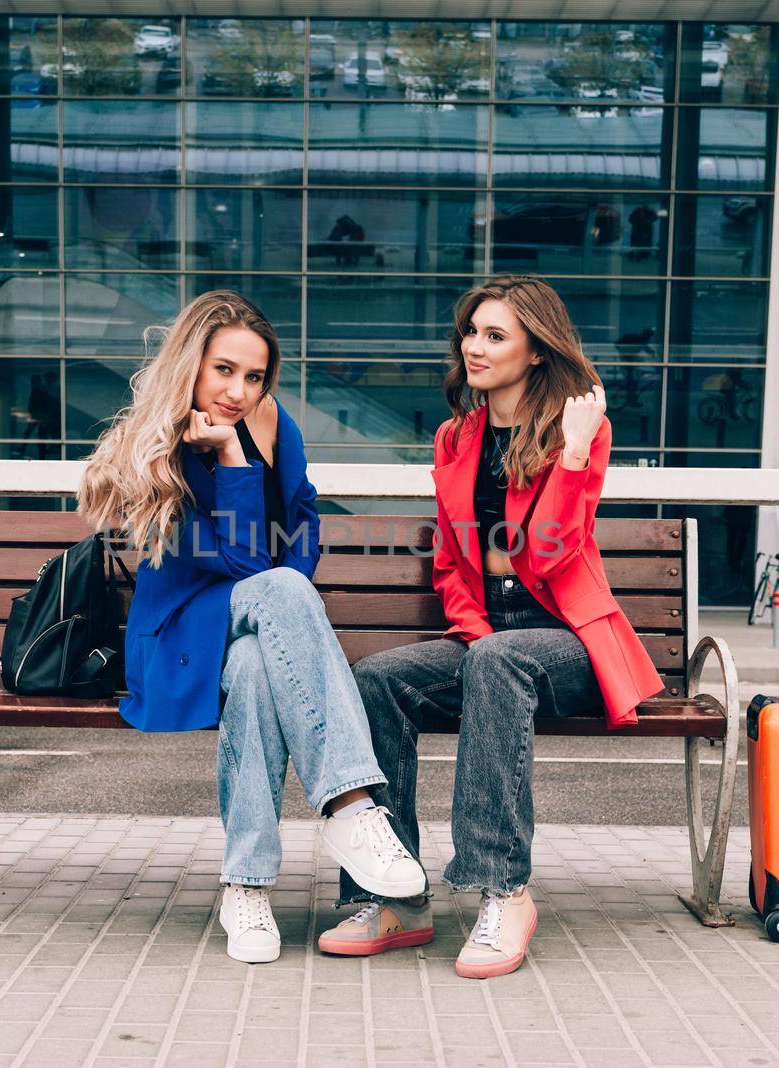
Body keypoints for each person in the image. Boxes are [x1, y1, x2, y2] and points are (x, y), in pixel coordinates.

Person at [322, 276, 664, 979]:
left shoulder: (580, 432)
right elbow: (451, 561)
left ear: (536, 350)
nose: (475, 347)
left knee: (502, 660)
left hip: (568, 645)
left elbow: (548, 555)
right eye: (471, 333)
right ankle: (392, 897)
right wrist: (475, 631)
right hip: (491, 645)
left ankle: (503, 889)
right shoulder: (456, 438)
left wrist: (570, 457)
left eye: (495, 335)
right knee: (377, 680)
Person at [77, 290, 424, 964]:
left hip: (255, 628)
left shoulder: (273, 423)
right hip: (182, 634)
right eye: (225, 371)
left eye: (255, 376)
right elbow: (239, 562)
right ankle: (352, 807)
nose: (239, 391)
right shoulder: (153, 451)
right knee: (278, 588)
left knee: (257, 668)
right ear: (192, 366)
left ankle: (246, 886)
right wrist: (233, 464)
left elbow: (302, 521)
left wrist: (281, 586)